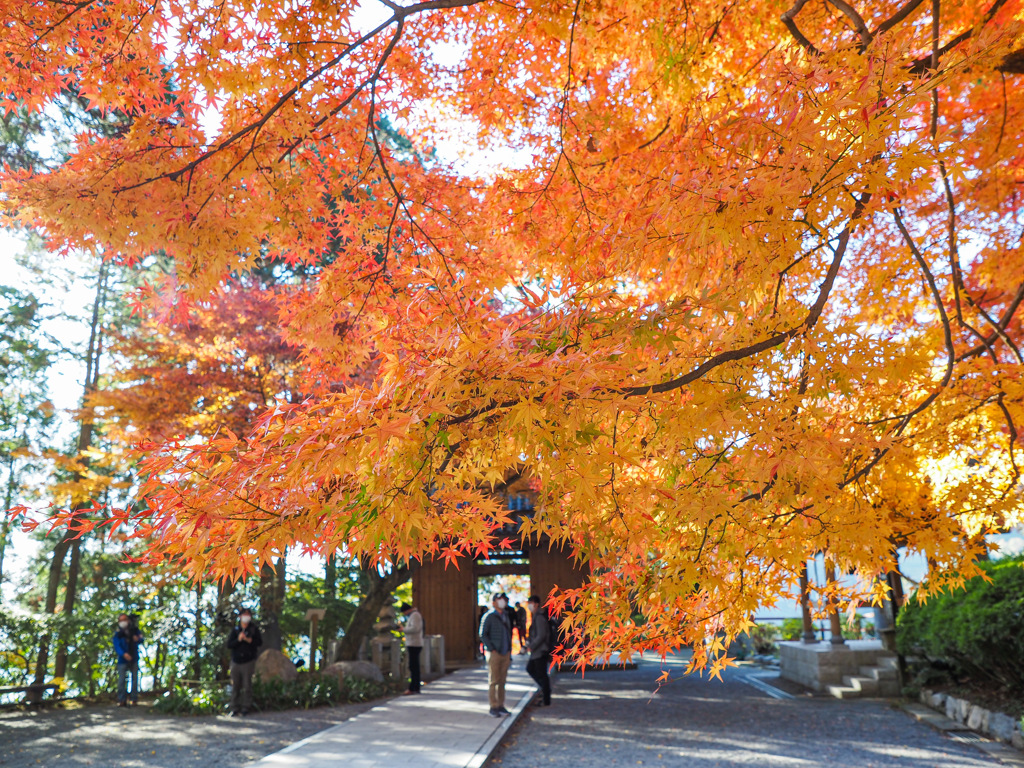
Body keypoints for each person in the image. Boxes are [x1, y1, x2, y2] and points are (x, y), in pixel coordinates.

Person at [478, 592, 513, 717]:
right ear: (493, 602)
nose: (502, 601)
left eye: (503, 599)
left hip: (505, 652)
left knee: (502, 681)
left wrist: (509, 649)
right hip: (494, 653)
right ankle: (493, 706)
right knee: (494, 680)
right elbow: (482, 634)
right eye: (499, 599)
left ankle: (501, 705)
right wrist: (491, 648)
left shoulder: (506, 616)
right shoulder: (488, 616)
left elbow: (509, 633)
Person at [226, 608, 263, 716]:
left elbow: (259, 642)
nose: (246, 617)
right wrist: (238, 639)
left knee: (247, 685)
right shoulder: (235, 630)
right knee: (235, 685)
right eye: (244, 615)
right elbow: (229, 645)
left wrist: (249, 640)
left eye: (248, 615)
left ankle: (246, 707)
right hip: (236, 661)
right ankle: (234, 708)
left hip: (248, 661)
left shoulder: (254, 629)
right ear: (240, 617)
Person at [112, 613, 144, 707]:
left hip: (134, 658)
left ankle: (134, 699)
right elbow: (116, 645)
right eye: (121, 620)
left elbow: (141, 639)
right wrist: (124, 654)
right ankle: (122, 700)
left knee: (135, 679)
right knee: (121, 680)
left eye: (124, 620)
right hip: (122, 660)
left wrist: (137, 639)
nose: (123, 622)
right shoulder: (118, 633)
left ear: (128, 620)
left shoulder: (135, 630)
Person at [525, 596, 552, 706]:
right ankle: (544, 691)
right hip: (537, 651)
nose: (529, 605)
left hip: (540, 651)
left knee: (541, 674)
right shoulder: (536, 616)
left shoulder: (539, 617)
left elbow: (541, 635)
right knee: (533, 670)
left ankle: (546, 695)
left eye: (531, 603)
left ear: (536, 604)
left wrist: (532, 645)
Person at [400, 602, 424, 694]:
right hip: (413, 643)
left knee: (413, 666)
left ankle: (413, 687)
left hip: (414, 643)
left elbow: (415, 628)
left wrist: (403, 630)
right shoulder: (414, 615)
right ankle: (415, 687)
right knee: (413, 666)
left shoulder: (415, 615)